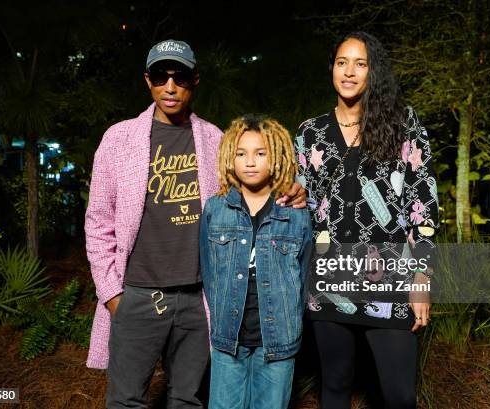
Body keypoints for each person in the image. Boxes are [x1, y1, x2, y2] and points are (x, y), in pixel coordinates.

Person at [85, 40, 306, 408]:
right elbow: (98, 222)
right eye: (160, 76)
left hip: (197, 299)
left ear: (195, 81)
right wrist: (112, 296)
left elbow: (247, 192)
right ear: (147, 80)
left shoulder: (214, 139)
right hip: (138, 295)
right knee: (125, 400)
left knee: (187, 399)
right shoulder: (119, 139)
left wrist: (291, 189)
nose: (170, 87)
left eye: (180, 77)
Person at [295, 32, 439, 409]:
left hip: (389, 276)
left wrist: (422, 276)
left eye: (360, 64)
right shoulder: (310, 133)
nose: (349, 72)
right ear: (332, 69)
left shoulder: (403, 124)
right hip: (329, 274)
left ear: (373, 72)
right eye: (342, 62)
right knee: (336, 385)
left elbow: (422, 203)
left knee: (399, 395)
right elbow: (301, 205)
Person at [199, 115, 313, 409]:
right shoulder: (215, 209)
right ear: (229, 158)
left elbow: (303, 278)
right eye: (241, 153)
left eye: (260, 153)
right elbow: (209, 274)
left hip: (278, 341)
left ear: (275, 157)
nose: (250, 162)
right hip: (228, 338)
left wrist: (293, 323)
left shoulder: (295, 214)